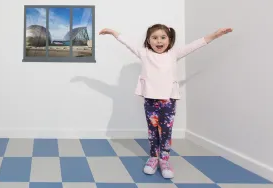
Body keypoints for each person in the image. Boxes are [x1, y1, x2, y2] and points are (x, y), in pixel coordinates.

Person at [99, 24, 232, 179]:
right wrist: (113, 32)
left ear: (169, 39)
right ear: (148, 41)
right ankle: (153, 158)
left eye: (163, 37)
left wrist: (215, 34)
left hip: (168, 101)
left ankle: (165, 160)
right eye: (154, 38)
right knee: (153, 131)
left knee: (166, 132)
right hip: (150, 100)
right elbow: (127, 42)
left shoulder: (174, 54)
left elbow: (196, 44)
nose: (159, 41)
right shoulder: (144, 53)